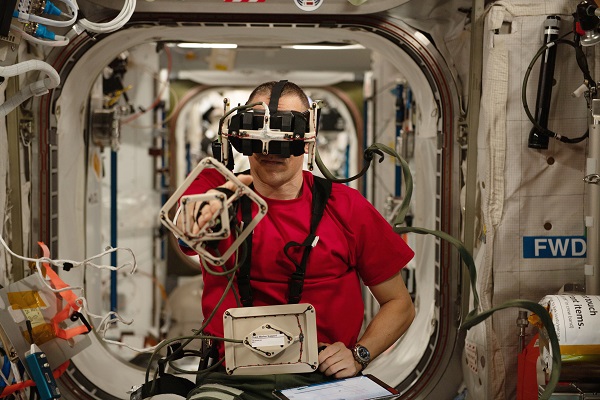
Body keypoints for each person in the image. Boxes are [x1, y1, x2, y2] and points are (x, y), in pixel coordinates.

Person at [175, 81, 415, 400]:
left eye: (284, 134)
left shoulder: (347, 207)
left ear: (307, 137)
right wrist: (217, 201)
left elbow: (400, 304)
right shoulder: (214, 189)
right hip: (231, 379)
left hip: (322, 381)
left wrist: (360, 355)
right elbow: (187, 225)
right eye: (261, 134)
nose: (271, 151)